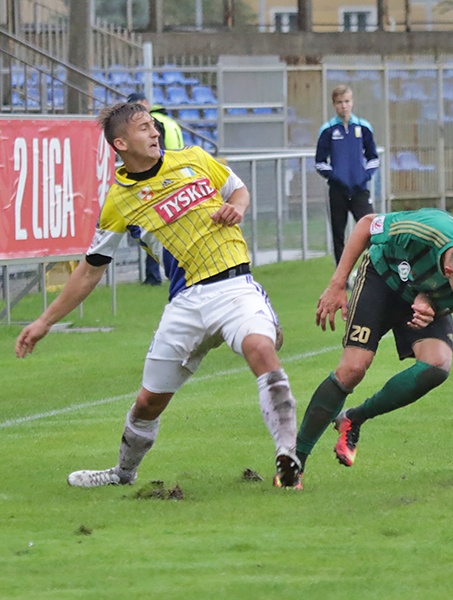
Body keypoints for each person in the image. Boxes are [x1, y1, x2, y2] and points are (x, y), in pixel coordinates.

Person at [14, 102, 302, 489]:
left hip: (234, 286)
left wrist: (235, 208)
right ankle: (122, 474)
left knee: (261, 350)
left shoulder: (195, 159)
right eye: (144, 128)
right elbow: (90, 269)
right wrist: (43, 321)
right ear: (120, 143)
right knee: (148, 402)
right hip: (185, 303)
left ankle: (288, 456)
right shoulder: (120, 201)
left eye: (154, 126)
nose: (155, 133)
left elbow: (238, 190)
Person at [294, 208, 453, 487]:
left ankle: (354, 418)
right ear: (449, 271)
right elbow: (366, 224)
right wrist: (337, 283)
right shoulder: (423, 231)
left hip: (415, 297)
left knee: (437, 366)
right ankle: (295, 461)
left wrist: (432, 306)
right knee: (353, 368)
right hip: (381, 277)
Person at [315, 85, 379, 266]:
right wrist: (336, 177)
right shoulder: (327, 130)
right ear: (334, 105)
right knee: (338, 234)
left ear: (352, 102)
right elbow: (319, 162)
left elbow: (373, 158)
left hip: (360, 190)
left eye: (347, 101)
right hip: (338, 191)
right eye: (339, 102)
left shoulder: (363, 127)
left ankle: (377, 268)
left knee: (373, 229)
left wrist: (364, 176)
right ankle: (342, 276)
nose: (344, 106)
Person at [126, 91, 185, 286]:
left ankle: (155, 276)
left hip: (160, 180)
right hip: (177, 175)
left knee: (156, 229)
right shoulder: (169, 121)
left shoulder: (153, 122)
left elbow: (156, 152)